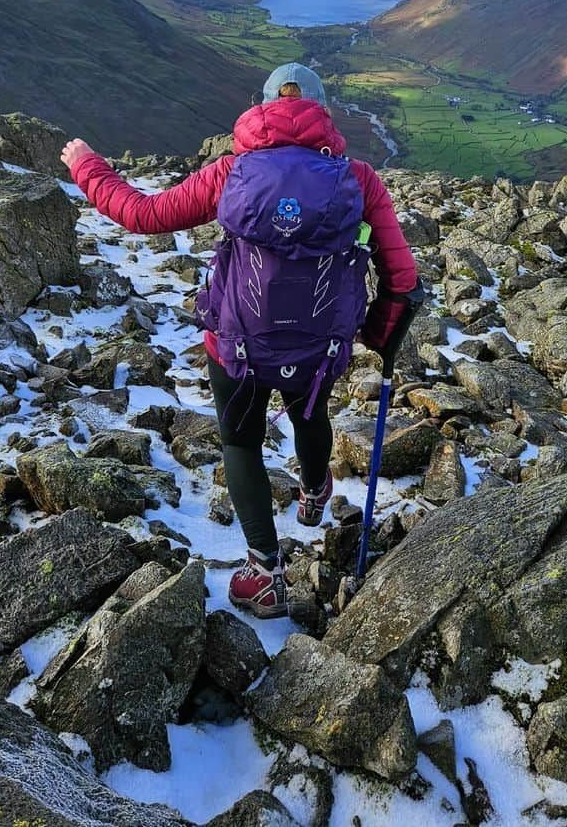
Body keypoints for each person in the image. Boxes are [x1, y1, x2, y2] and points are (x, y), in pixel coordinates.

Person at [61, 62, 418, 618]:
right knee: (310, 416)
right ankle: (317, 487)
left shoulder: (232, 172)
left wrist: (87, 166)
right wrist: (376, 334)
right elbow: (402, 278)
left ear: (263, 107)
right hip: (320, 347)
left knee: (241, 443)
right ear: (321, 111)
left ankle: (266, 574)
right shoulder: (359, 178)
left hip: (239, 345)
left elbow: (142, 214)